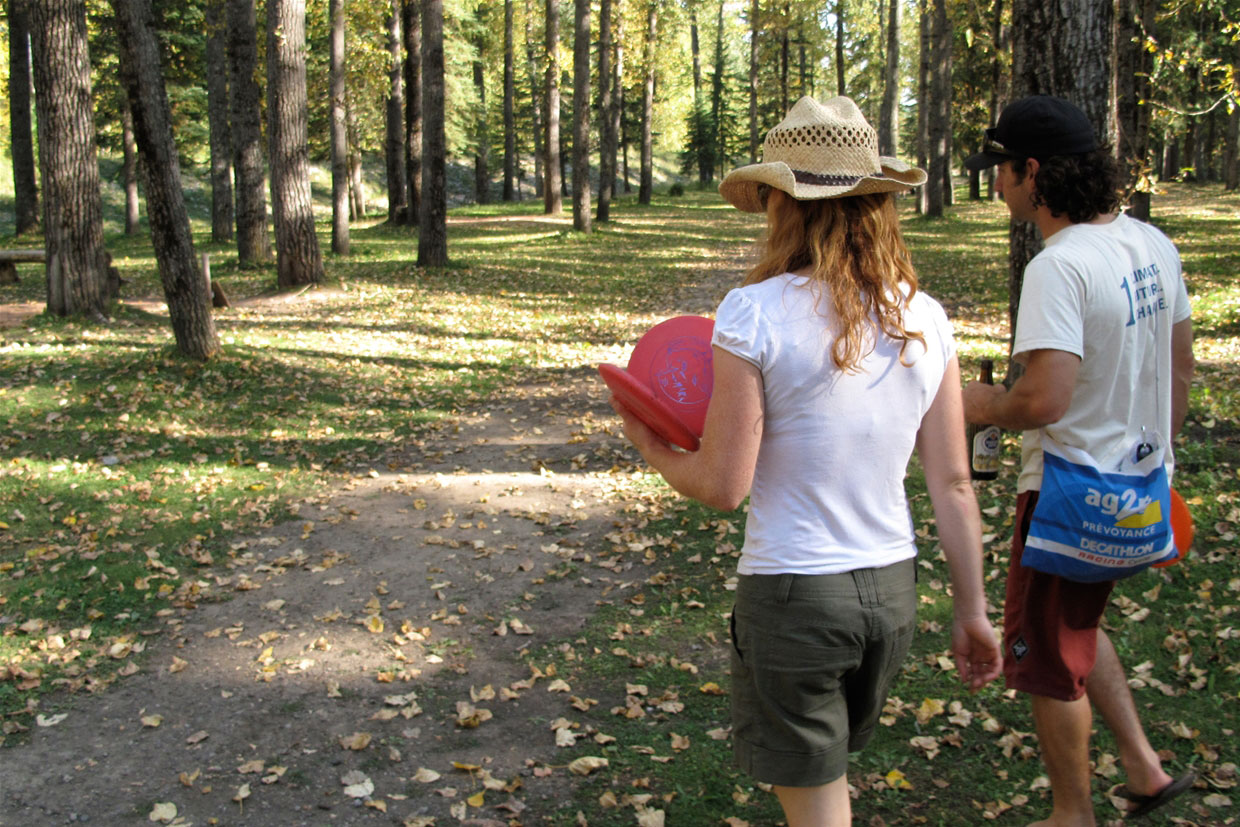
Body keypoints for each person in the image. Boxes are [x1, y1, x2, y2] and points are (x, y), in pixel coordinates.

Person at [609, 96, 1001, 827]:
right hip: (890, 594)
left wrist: (650, 446)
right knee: (828, 781)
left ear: (783, 204)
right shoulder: (926, 316)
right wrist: (973, 610)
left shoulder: (753, 311)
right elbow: (951, 481)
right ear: (876, 201)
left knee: (817, 803)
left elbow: (725, 485)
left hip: (795, 595)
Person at [962, 95, 1197, 825]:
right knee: (1078, 622)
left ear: (1033, 171)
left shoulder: (1058, 266)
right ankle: (1144, 767)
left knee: (1045, 657)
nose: (996, 184)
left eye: (1002, 169)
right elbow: (1181, 367)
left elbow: (1042, 400)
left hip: (1068, 494)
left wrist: (979, 404)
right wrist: (1152, 450)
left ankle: (1072, 813)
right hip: (1138, 488)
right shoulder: (1152, 244)